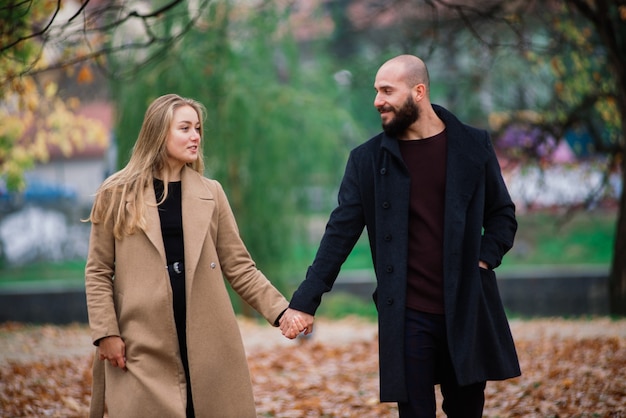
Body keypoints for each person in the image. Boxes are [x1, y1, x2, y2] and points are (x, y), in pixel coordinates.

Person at [280, 55, 520, 417]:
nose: (378, 100)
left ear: (418, 92)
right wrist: (304, 301)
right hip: (408, 315)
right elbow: (339, 233)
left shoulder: (473, 146)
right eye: (377, 91)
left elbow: (502, 214)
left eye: (387, 91)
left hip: (466, 306)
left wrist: (484, 257)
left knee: (467, 408)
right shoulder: (367, 160)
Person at [85, 93, 289, 418]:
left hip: (208, 342)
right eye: (184, 128)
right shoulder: (115, 193)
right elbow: (97, 271)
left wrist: (282, 312)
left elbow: (239, 266)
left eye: (197, 129)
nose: (195, 136)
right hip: (142, 342)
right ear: (158, 132)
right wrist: (107, 332)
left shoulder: (212, 193)